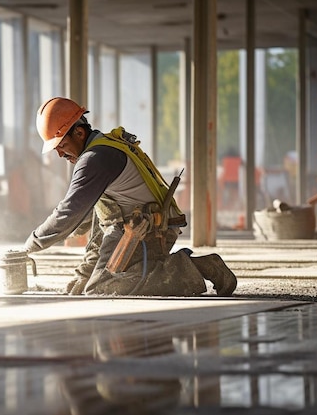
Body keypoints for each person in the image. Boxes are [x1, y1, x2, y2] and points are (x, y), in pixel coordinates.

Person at [23, 97, 237, 296]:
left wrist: (30, 246)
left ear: (79, 133)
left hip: (147, 231)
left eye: (61, 145)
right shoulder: (105, 147)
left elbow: (69, 215)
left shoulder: (94, 159)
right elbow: (97, 215)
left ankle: (195, 269)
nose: (60, 154)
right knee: (93, 282)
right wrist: (84, 274)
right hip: (137, 226)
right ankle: (96, 276)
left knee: (102, 287)